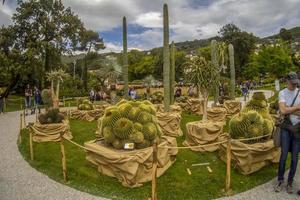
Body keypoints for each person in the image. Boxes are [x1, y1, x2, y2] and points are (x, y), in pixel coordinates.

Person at [274, 72, 300, 194]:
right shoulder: (282, 93)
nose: (295, 85)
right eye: (292, 83)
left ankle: (290, 182)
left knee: (295, 158)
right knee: (284, 156)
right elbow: (283, 110)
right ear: (287, 81)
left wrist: (289, 108)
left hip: (297, 129)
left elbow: (285, 110)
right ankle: (280, 180)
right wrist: (297, 107)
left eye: (296, 83)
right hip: (285, 128)